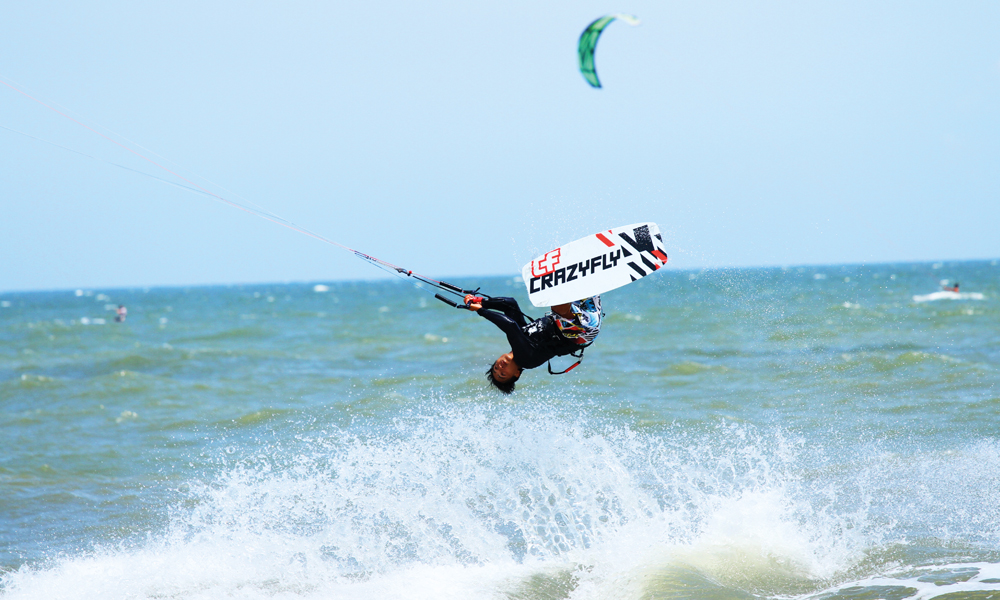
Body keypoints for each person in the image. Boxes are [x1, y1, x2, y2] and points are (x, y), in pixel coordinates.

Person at [465, 294, 603, 394]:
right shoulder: (526, 359)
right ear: (517, 374)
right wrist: (481, 310)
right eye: (502, 374)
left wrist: (481, 301)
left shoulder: (524, 336)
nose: (499, 368)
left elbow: (510, 304)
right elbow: (510, 326)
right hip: (582, 331)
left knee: (583, 287)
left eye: (495, 368)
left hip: (579, 313)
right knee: (556, 296)